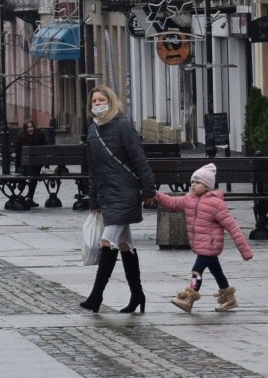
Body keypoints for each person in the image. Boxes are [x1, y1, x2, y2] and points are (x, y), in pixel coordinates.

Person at [79, 85, 156, 314]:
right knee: (125, 245)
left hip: (125, 192)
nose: (98, 104)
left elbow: (139, 159)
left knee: (107, 241)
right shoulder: (93, 131)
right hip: (107, 194)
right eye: (94, 101)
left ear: (111, 101)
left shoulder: (123, 127)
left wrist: (149, 189)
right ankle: (138, 295)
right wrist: (93, 197)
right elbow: (93, 168)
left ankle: (96, 297)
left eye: (102, 99)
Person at [155, 163, 254, 312]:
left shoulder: (216, 204)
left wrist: (245, 250)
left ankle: (188, 298)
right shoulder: (189, 199)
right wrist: (155, 194)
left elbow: (232, 227)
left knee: (197, 270)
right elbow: (172, 202)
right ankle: (229, 298)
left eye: (198, 182)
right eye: (192, 182)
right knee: (217, 271)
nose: (194, 185)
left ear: (208, 186)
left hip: (210, 245)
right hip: (199, 244)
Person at [14, 119, 49, 207]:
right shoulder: (21, 136)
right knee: (32, 175)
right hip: (25, 165)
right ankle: (28, 197)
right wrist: (17, 166)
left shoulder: (39, 135)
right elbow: (18, 152)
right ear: (25, 129)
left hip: (36, 164)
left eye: (31, 127)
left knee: (33, 173)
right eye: (28, 127)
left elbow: (45, 148)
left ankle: (29, 197)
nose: (30, 129)